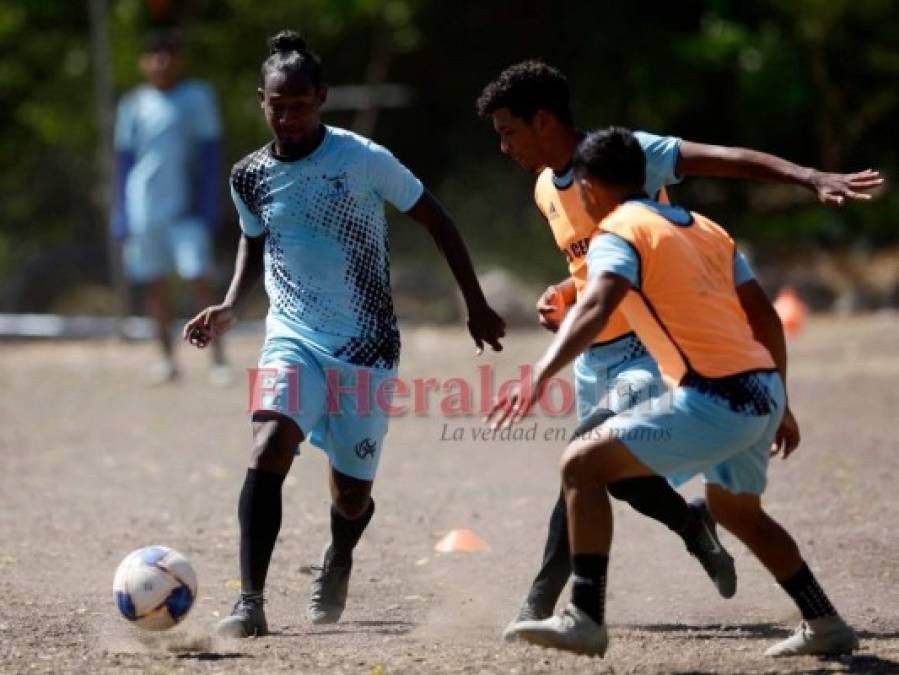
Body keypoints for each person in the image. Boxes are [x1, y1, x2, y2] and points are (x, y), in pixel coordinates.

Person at [475, 60, 884, 635]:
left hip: (655, 353)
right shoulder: (553, 189)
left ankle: (550, 605)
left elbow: (728, 158)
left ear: (545, 122)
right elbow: (592, 274)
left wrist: (809, 177)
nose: (502, 147)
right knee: (638, 482)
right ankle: (709, 537)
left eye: (508, 131)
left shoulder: (624, 162)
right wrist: (562, 294)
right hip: (603, 359)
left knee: (584, 458)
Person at [183, 30, 505, 638]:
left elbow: (438, 220)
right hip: (292, 337)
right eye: (278, 105)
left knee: (352, 497)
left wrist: (476, 303)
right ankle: (250, 602)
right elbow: (256, 244)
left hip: (366, 346)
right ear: (262, 100)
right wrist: (229, 306)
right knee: (267, 445)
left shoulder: (362, 159)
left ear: (322, 98)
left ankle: (339, 555)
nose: (288, 117)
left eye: (300, 105)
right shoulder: (248, 175)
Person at [112, 30, 229, 385]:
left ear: (179, 60)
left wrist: (210, 204)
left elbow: (210, 155)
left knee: (199, 281)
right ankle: (167, 360)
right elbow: (124, 161)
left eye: (168, 54)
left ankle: (217, 358)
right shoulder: (133, 104)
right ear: (143, 62)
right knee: (155, 286)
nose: (161, 62)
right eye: (154, 55)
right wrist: (121, 213)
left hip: (187, 210)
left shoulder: (197, 98)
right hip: (144, 211)